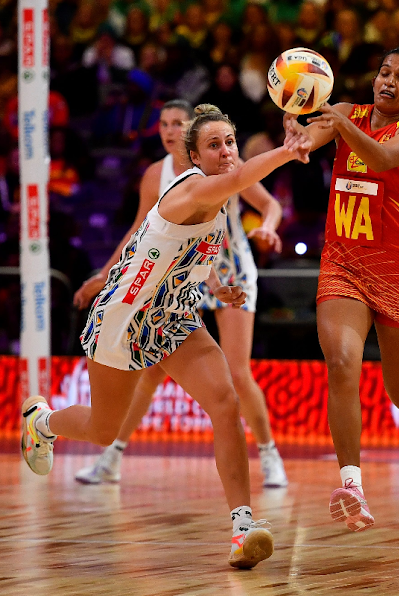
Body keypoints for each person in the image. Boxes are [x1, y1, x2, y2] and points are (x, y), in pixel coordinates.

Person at [21, 104, 310, 569]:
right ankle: (43, 421)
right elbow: (236, 184)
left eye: (231, 142)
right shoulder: (194, 187)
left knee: (225, 401)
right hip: (124, 317)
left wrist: (217, 287)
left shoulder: (217, 205)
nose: (226, 151)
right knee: (103, 429)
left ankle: (242, 528)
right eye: (214, 145)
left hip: (174, 318)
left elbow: (198, 255)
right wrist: (287, 150)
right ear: (194, 156)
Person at [72, 99, 288, 488]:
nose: (169, 130)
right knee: (150, 374)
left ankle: (270, 456)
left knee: (237, 375)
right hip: (173, 280)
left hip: (224, 266)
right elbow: (142, 232)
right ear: (193, 150)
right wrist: (105, 274)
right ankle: (112, 454)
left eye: (178, 123)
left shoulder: (228, 164)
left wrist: (268, 227)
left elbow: (266, 202)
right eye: (164, 124)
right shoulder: (162, 176)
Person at [285, 47, 399, 532]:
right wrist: (299, 135)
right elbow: (313, 134)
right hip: (344, 262)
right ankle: (352, 484)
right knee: (342, 362)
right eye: (384, 72)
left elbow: (381, 157)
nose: (389, 81)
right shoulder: (347, 113)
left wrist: (336, 122)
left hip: (398, 267)